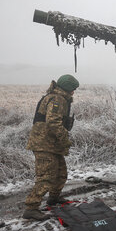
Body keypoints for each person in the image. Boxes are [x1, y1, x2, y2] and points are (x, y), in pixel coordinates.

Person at [23, 74, 79, 221]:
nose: (74, 92)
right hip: (45, 144)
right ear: (67, 88)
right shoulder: (57, 99)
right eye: (73, 89)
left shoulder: (57, 97)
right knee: (46, 176)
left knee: (61, 173)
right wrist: (64, 139)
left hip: (51, 144)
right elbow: (53, 122)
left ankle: (53, 198)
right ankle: (31, 208)